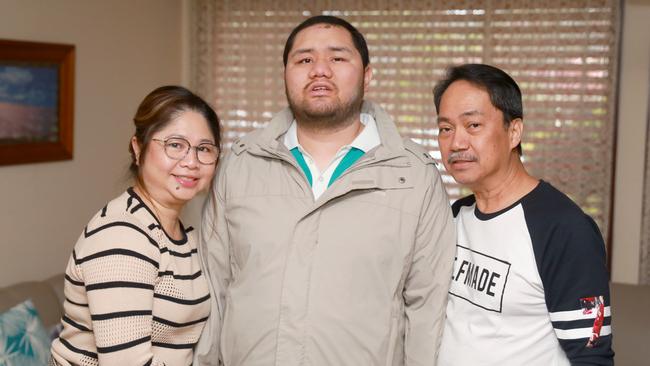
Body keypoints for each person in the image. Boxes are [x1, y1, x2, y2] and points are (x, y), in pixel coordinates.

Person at [194, 15, 456, 366]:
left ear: (367, 74)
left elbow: (427, 306)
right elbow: (214, 291)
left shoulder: (413, 175)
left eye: (337, 58)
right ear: (285, 74)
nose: (320, 70)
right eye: (304, 60)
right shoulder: (240, 166)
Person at [433, 64, 614, 365]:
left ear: (514, 131)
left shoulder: (564, 230)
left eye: (473, 125)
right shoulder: (453, 217)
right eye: (445, 129)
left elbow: (591, 357)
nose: (456, 143)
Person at [50, 86, 221, 366]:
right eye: (175, 145)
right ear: (138, 148)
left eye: (204, 149)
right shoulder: (122, 236)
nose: (191, 162)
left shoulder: (184, 236)